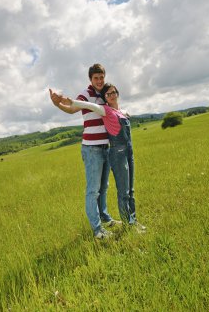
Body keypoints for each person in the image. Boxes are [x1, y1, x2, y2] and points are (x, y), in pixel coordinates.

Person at [49, 64, 121, 240]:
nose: (99, 81)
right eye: (96, 78)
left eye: (101, 77)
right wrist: (58, 104)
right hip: (92, 149)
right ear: (90, 79)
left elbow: (115, 112)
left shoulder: (105, 93)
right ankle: (97, 231)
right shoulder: (86, 94)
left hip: (106, 147)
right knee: (93, 190)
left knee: (104, 188)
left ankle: (105, 218)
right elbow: (72, 108)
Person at [62, 83, 146, 232]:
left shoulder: (120, 111)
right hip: (118, 154)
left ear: (117, 93)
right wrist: (73, 102)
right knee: (124, 192)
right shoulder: (105, 110)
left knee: (131, 190)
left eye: (113, 92)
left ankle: (133, 221)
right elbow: (89, 105)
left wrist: (126, 112)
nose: (112, 95)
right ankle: (128, 224)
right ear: (105, 98)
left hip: (129, 152)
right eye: (108, 94)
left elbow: (125, 112)